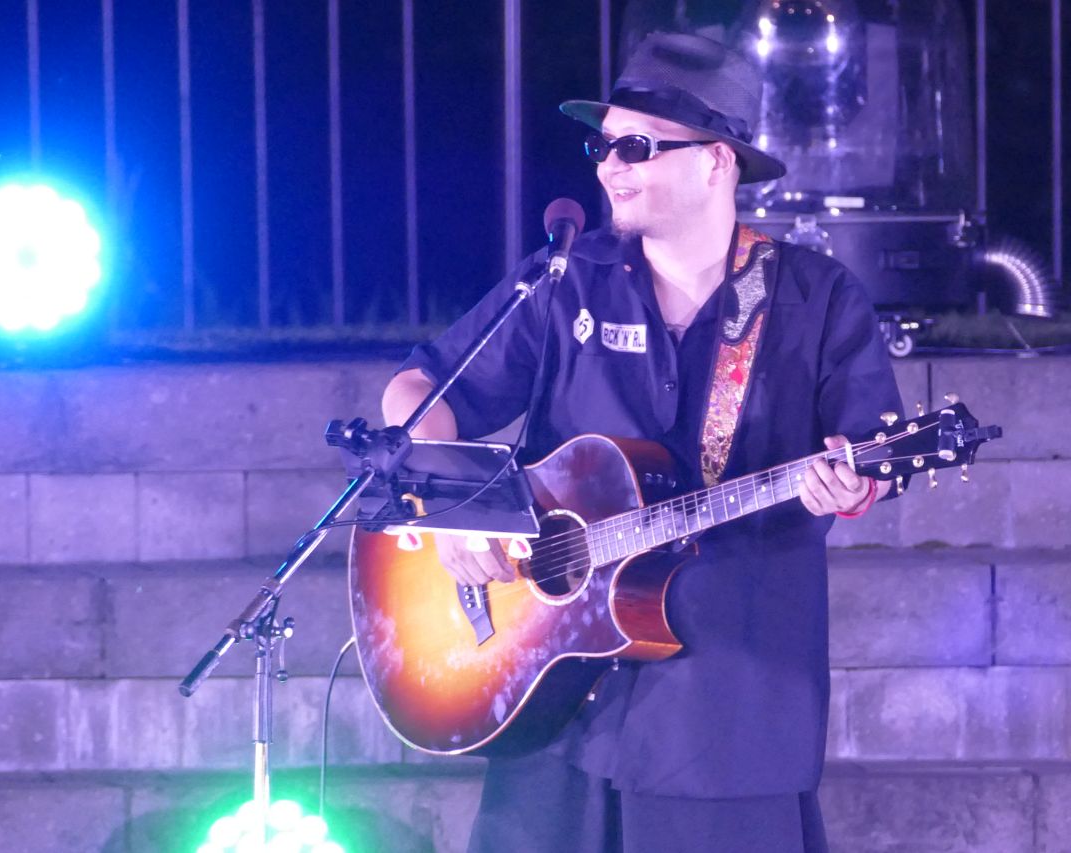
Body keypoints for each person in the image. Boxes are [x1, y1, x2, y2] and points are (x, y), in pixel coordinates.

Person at [381, 32, 901, 853]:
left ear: (717, 161)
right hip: (550, 695)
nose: (608, 169)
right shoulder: (566, 279)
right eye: (603, 146)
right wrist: (451, 508)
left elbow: (873, 452)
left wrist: (856, 478)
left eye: (636, 147)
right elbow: (419, 392)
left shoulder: (816, 297)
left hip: (725, 704)